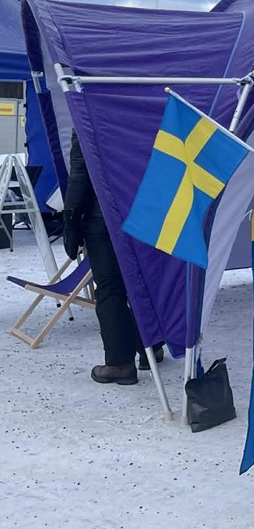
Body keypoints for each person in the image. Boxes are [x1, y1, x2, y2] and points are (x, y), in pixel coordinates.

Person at [64, 129, 162, 385]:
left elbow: (81, 171)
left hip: (104, 215)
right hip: (148, 212)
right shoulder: (152, 101)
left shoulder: (87, 105)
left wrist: (71, 217)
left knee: (110, 289)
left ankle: (120, 364)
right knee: (145, 282)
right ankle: (151, 345)